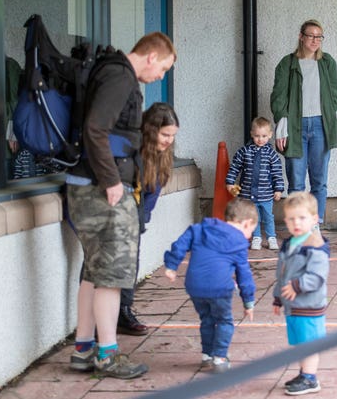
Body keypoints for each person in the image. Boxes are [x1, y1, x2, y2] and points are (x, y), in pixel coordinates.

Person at [67, 31, 176, 379]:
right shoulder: (120, 76)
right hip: (102, 190)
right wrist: (112, 181)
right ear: (151, 57)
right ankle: (107, 355)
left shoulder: (107, 71)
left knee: (93, 272)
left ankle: (83, 349)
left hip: (84, 185)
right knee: (111, 277)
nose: (161, 76)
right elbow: (96, 129)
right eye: (163, 68)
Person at [164, 198, 257, 373]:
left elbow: (180, 244)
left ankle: (206, 355)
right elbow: (244, 274)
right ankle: (219, 358)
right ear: (246, 223)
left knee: (206, 319)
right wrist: (248, 302)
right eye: (252, 230)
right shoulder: (239, 241)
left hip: (195, 286)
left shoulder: (200, 229)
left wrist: (171, 265)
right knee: (224, 321)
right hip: (220, 288)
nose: (250, 236)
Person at [270, 19, 337, 225]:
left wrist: (334, 117)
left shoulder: (327, 63)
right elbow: (278, 96)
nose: (315, 40)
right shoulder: (287, 63)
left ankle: (315, 224)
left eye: (319, 36)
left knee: (319, 181)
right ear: (301, 37)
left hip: (321, 126)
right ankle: (297, 225)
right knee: (296, 182)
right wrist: (282, 127)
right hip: (295, 127)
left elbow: (336, 93)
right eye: (311, 35)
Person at [117, 103, 180, 336]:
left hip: (136, 215)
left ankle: (124, 310)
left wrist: (142, 220)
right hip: (118, 212)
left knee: (130, 263)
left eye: (172, 136)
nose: (168, 141)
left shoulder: (163, 157)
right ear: (151, 129)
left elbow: (153, 192)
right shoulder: (132, 150)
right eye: (165, 134)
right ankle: (105, 317)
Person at [273, 192, 330, 396]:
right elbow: (281, 273)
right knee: (299, 342)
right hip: (292, 305)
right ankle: (304, 372)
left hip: (309, 305)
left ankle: (310, 378)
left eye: (302, 218)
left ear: (314, 219)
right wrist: (278, 297)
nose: (296, 223)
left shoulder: (315, 246)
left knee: (309, 342)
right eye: (291, 218)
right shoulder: (289, 244)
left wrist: (297, 285)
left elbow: (317, 277)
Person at [226, 116, 285, 251]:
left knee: (268, 217)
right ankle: (256, 237)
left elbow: (277, 173)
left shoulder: (272, 154)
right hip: (248, 194)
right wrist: (230, 182)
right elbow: (234, 167)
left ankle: (271, 237)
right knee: (253, 217)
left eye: (264, 136)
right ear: (252, 134)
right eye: (257, 136)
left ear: (270, 135)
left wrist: (278, 190)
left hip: (266, 195)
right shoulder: (244, 152)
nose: (260, 139)